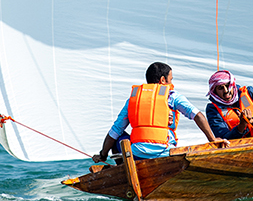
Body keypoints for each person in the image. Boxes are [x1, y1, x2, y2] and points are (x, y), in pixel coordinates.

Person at [95, 61, 227, 162]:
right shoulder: (172, 96)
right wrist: (212, 139)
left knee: (118, 137)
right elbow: (198, 115)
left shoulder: (133, 99)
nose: (171, 83)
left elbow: (115, 131)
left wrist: (102, 155)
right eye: (171, 79)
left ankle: (125, 171)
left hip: (137, 154)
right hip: (164, 153)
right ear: (163, 80)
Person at [204, 70, 253, 140]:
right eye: (220, 88)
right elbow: (224, 139)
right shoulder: (213, 109)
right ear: (214, 91)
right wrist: (242, 126)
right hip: (240, 150)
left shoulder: (249, 93)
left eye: (228, 85)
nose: (226, 91)